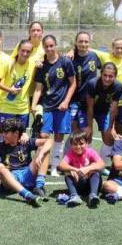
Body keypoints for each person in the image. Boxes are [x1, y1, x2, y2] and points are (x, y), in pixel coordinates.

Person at [0, 117, 53, 206]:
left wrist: (40, 154)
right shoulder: (0, 146)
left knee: (43, 149)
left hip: (28, 173)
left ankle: (39, 187)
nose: (3, 135)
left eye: (6, 133)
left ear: (16, 133)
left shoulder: (26, 141)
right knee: (0, 167)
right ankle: (27, 195)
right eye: (3, 132)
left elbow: (49, 141)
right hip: (12, 178)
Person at [31, 34, 76, 174]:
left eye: (51, 45)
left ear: (55, 45)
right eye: (46, 46)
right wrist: (33, 105)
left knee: (59, 137)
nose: (49, 49)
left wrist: (66, 101)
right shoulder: (41, 65)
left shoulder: (65, 62)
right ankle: (41, 163)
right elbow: (38, 88)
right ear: (43, 47)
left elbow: (73, 83)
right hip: (47, 106)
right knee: (44, 136)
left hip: (62, 106)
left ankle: (55, 167)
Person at [93, 38, 122, 135]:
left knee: (119, 130)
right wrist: (72, 51)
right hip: (108, 100)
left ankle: (117, 149)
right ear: (112, 47)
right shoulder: (105, 56)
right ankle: (107, 148)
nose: (119, 50)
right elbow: (88, 49)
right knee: (107, 130)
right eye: (117, 48)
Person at [0, 39, 35, 131]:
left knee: (21, 138)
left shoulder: (32, 64)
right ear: (18, 50)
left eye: (28, 51)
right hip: (7, 107)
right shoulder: (8, 63)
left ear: (31, 53)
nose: (25, 53)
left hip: (23, 109)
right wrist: (10, 90)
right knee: (5, 137)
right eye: (23, 50)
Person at [57, 132, 105, 208]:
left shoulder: (90, 151)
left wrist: (89, 168)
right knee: (67, 172)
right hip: (79, 183)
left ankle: (93, 195)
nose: (78, 146)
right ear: (71, 145)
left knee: (95, 170)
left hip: (90, 183)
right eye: (75, 144)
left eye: (81, 144)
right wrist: (74, 169)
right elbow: (61, 165)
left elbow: (102, 164)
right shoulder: (70, 153)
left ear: (86, 143)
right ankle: (74, 196)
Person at [82, 62, 122, 146]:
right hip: (86, 110)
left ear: (115, 76)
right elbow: (90, 107)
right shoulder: (92, 84)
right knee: (86, 136)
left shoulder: (118, 87)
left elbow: (113, 109)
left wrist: (111, 127)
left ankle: (102, 159)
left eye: (111, 76)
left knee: (109, 138)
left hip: (103, 111)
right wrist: (90, 126)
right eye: (105, 75)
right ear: (100, 74)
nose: (107, 79)